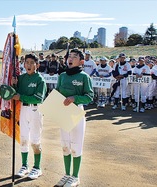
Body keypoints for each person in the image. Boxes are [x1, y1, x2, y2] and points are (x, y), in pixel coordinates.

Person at [54, 48, 93, 187]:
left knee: (76, 147)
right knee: (65, 146)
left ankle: (75, 177)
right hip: (63, 112)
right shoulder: (62, 76)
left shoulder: (84, 77)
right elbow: (57, 92)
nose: (70, 59)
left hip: (76, 112)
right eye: (69, 56)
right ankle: (67, 174)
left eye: (74, 57)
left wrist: (74, 98)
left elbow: (89, 97)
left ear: (81, 61)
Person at [11, 53, 47, 180]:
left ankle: (37, 168)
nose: (29, 65)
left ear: (37, 65)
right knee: (24, 138)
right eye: (27, 63)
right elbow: (16, 92)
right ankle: (24, 166)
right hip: (23, 110)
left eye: (32, 63)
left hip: (35, 109)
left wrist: (21, 97)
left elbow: (38, 98)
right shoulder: (22, 78)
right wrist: (14, 84)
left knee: (35, 140)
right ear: (24, 64)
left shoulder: (40, 80)